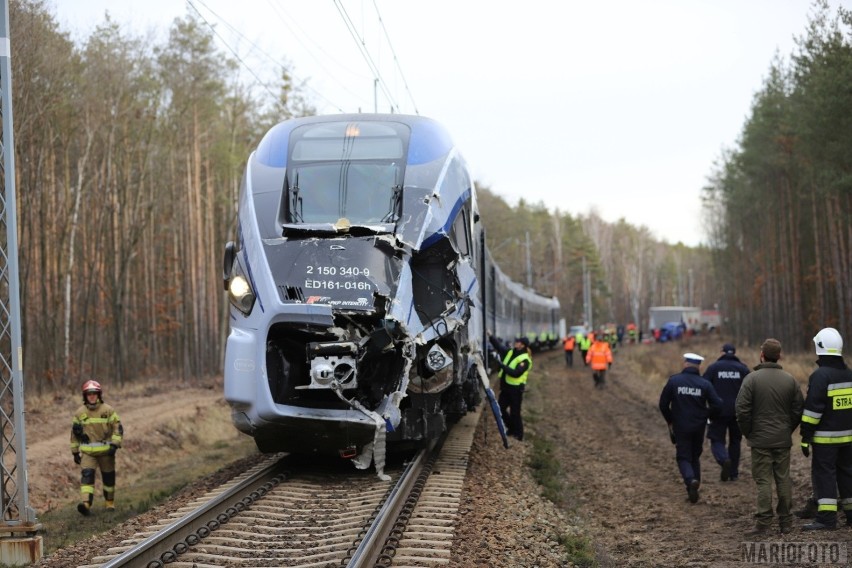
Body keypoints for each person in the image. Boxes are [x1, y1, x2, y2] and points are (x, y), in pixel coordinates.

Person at [735, 338, 803, 535]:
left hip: (760, 439)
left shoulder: (751, 379)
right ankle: (786, 522)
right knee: (783, 479)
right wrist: (787, 428)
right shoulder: (790, 379)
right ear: (779, 356)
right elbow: (798, 408)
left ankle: (763, 523)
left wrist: (749, 432)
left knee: (763, 480)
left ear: (762, 355)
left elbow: (741, 410)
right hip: (782, 438)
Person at [799, 327, 852, 530]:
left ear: (820, 347)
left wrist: (805, 435)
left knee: (825, 476)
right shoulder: (849, 374)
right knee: (847, 474)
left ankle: (827, 519)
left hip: (825, 441)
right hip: (848, 438)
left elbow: (813, 411)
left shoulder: (820, 376)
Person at [659, 353, 722, 503]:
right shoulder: (704, 384)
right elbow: (718, 404)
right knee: (695, 456)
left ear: (685, 364)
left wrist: (670, 420)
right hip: (699, 425)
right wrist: (707, 415)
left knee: (683, 456)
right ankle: (694, 487)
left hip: (680, 425)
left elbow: (663, 404)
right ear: (699, 366)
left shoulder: (674, 381)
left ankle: (690, 480)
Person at [70, 380, 123, 516]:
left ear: (99, 395)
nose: (92, 396)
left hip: (106, 452)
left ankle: (109, 503)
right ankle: (86, 504)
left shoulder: (108, 410)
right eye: (89, 394)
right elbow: (74, 433)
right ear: (85, 396)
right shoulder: (79, 413)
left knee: (108, 478)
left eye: (94, 394)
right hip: (88, 453)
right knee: (87, 476)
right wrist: (75, 452)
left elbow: (118, 428)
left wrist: (115, 444)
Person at [704, 343, 750, 481]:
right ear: (734, 353)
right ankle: (733, 473)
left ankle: (724, 460)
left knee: (716, 439)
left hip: (718, 411)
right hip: (738, 411)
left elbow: (704, 386)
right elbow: (751, 389)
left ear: (722, 352)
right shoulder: (743, 369)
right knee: (735, 441)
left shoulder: (713, 368)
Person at [488, 335, 532, 441]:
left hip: (516, 390)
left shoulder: (524, 360)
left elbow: (515, 373)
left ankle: (519, 434)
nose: (515, 342)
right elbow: (499, 347)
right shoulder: (511, 352)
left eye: (517, 342)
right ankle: (511, 429)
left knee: (515, 413)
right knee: (500, 409)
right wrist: (490, 336)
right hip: (506, 388)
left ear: (522, 345)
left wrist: (501, 365)